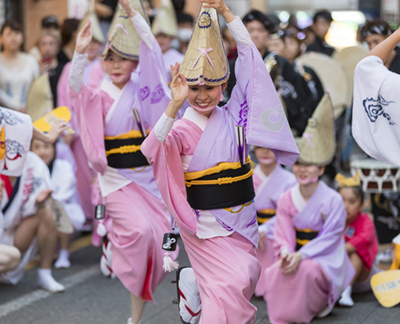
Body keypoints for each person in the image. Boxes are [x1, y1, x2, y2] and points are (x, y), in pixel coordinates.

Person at [141, 0, 299, 322]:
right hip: (203, 224)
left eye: (210, 87)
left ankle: (195, 285)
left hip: (242, 218)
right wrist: (173, 106)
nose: (202, 95)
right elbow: (151, 150)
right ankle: (200, 288)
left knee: (243, 279)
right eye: (195, 87)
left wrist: (228, 15)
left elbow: (252, 65)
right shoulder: (181, 126)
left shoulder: (236, 115)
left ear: (224, 85)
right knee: (230, 285)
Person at [68, 0, 177, 323]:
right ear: (101, 62)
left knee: (157, 244)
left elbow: (154, 53)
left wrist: (135, 17)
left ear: (134, 64)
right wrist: (78, 53)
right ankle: (114, 242)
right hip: (116, 179)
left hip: (148, 178)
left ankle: (134, 318)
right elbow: (75, 89)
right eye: (109, 59)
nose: (116, 66)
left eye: (124, 60)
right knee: (142, 232)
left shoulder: (145, 91)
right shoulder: (97, 94)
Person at [262, 94, 354, 324]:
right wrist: (286, 253)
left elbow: (332, 238)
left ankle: (310, 307)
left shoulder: (333, 200)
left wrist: (302, 255)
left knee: (306, 269)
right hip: (295, 251)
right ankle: (287, 312)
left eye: (309, 165)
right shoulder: (286, 198)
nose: (302, 170)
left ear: (321, 170)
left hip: (322, 257)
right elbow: (283, 234)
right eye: (299, 165)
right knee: (278, 269)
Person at [226, 10, 315, 136]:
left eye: (260, 30)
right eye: (250, 30)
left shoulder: (281, 63)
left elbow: (301, 96)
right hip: (240, 132)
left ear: (268, 34)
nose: (255, 35)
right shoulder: (232, 65)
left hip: (277, 131)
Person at [58, 0, 105, 229]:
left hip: (102, 131)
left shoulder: (107, 67)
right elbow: (64, 100)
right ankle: (88, 216)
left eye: (97, 40)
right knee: (83, 178)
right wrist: (68, 128)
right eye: (91, 39)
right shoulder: (69, 69)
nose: (93, 45)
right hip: (78, 131)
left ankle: (103, 218)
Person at [0, 151, 64, 292]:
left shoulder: (32, 162)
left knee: (47, 213)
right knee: (9, 257)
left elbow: (42, 191)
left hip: (12, 231)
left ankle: (45, 274)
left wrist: (38, 202)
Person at [31, 139, 85, 269]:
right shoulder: (29, 169)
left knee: (58, 212)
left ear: (54, 149)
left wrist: (45, 201)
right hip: (36, 209)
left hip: (60, 207)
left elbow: (65, 193)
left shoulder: (64, 166)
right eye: (37, 147)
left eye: (46, 146)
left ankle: (64, 252)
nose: (42, 151)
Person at [352, 25, 400, 167]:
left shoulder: (393, 83)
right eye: (369, 43)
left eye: (376, 41)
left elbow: (366, 66)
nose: (372, 46)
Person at [253, 146, 296, 297]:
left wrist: (264, 229)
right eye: (260, 147)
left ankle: (271, 286)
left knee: (272, 243)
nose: (265, 152)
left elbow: (287, 214)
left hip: (277, 228)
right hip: (250, 227)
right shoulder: (247, 176)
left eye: (271, 148)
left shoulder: (290, 180)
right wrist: (253, 230)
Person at [266, 28, 324, 135]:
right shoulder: (266, 70)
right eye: (270, 46)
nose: (273, 50)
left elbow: (315, 98)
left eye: (277, 45)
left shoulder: (304, 71)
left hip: (298, 127)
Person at [335, 173, 379, 307]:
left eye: (352, 201)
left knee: (356, 253)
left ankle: (346, 291)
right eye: (341, 200)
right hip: (337, 270)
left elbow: (362, 239)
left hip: (362, 278)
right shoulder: (333, 219)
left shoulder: (366, 220)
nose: (346, 206)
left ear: (361, 205)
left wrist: (337, 250)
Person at [0, 20, 40, 112]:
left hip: (29, 113)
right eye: (9, 34)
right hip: (4, 115)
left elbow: (37, 87)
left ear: (22, 37)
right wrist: (15, 106)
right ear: (1, 38)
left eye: (17, 33)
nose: (13, 38)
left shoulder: (31, 60)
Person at [152, 0, 184, 82]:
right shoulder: (149, 57)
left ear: (171, 38)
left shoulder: (180, 60)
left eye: (165, 36)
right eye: (158, 36)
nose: (161, 40)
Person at [37, 29, 65, 108]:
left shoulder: (64, 68)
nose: (47, 48)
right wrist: (40, 75)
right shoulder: (35, 68)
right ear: (39, 47)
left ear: (58, 46)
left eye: (51, 44)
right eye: (43, 44)